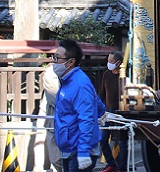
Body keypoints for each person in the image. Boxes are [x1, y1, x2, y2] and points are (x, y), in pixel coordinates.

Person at [52, 39, 105, 172]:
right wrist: (101, 112)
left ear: (70, 62)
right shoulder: (68, 81)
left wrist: (83, 152)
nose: (53, 61)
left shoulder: (79, 84)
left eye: (57, 58)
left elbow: (86, 118)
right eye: (54, 57)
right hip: (69, 148)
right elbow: (97, 104)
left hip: (79, 150)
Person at [99, 51, 127, 172]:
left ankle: (122, 167)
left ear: (118, 63)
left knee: (122, 142)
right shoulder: (106, 74)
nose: (108, 64)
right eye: (108, 61)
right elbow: (102, 92)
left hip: (121, 112)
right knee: (103, 139)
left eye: (111, 61)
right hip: (108, 110)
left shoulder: (124, 75)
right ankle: (111, 163)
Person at [35, 63, 63, 172]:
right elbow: (54, 98)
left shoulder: (74, 73)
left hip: (71, 122)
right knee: (56, 157)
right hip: (54, 119)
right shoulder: (50, 73)